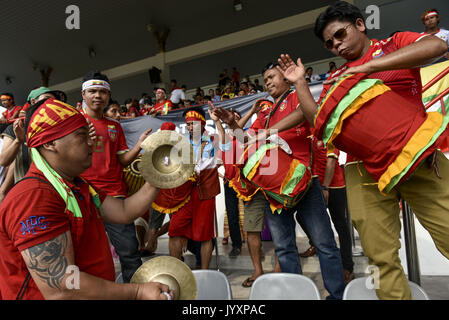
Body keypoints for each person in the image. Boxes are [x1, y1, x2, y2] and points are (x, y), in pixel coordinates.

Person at [261, 1, 449, 299]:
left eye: (340, 35)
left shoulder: (393, 44)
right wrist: (299, 83)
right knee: (380, 257)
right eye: (330, 44)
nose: (336, 46)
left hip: (416, 154)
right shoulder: (338, 78)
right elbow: (318, 121)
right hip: (362, 169)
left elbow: (437, 46)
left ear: (360, 25)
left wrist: (368, 66)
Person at [0, 98, 173, 300]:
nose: (92, 142)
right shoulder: (33, 198)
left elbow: (124, 210)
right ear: (50, 143)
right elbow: (62, 287)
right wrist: (136, 291)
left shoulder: (77, 186)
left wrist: (158, 176)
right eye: (82, 136)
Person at [210, 63, 346, 299]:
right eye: (265, 80)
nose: (268, 82)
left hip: (306, 184)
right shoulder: (265, 113)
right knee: (284, 247)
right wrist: (230, 124)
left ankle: (336, 295)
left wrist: (269, 131)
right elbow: (245, 140)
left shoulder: (296, 97)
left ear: (285, 77)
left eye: (272, 77)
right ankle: (296, 294)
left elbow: (306, 112)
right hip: (274, 191)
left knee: (324, 244)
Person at [79, 70, 153, 283]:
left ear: (108, 96)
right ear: (83, 94)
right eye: (92, 91)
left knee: (130, 254)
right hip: (81, 195)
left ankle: (135, 294)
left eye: (103, 91)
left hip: (114, 196)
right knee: (85, 256)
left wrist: (139, 145)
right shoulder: (74, 124)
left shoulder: (115, 127)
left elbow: (122, 160)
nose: (97, 96)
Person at [168, 107, 220, 270]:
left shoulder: (213, 139)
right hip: (184, 193)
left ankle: (205, 272)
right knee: (175, 230)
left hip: (205, 192)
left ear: (203, 123)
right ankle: (176, 271)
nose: (191, 127)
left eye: (194, 123)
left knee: (205, 234)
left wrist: (218, 121)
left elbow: (226, 148)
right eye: (188, 124)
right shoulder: (180, 144)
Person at [298, 138, 355, 284]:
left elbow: (331, 161)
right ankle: (315, 244)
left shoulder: (329, 135)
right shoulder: (309, 134)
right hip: (315, 188)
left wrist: (326, 187)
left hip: (334, 187)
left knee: (340, 225)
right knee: (301, 216)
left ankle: (347, 267)